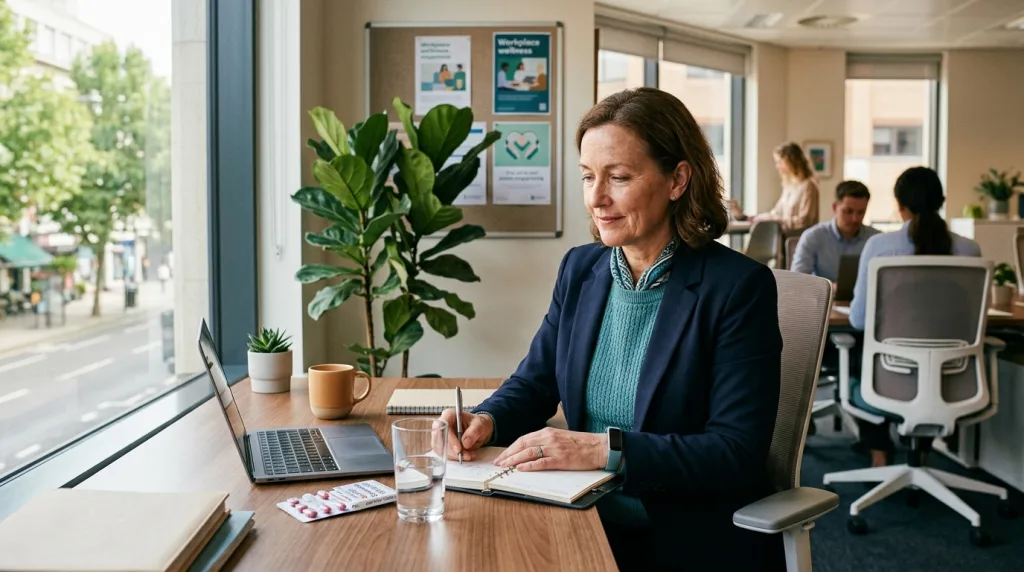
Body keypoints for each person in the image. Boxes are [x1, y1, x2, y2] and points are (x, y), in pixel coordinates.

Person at [438, 87, 785, 571]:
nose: (597, 198)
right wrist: (486, 419)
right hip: (579, 516)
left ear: (678, 179)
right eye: (587, 177)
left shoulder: (737, 288)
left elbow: (734, 452)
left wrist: (603, 449)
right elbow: (536, 381)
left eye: (618, 177)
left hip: (679, 536)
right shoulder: (582, 269)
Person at [848, 166, 981, 466]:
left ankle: (879, 449)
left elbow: (858, 321)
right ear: (941, 201)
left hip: (889, 384)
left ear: (900, 206)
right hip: (957, 383)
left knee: (858, 354)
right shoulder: (969, 250)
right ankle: (921, 452)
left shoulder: (880, 247)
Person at [791, 180, 881, 282]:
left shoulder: (876, 239)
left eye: (861, 212)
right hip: (827, 297)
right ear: (835, 207)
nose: (855, 218)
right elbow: (797, 280)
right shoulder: (814, 237)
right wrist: (829, 288)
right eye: (848, 211)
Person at [730, 142, 820, 235]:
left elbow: (804, 221)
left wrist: (778, 220)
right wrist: (745, 217)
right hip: (784, 239)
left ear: (792, 162)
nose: (777, 167)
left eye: (780, 162)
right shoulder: (789, 187)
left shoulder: (808, 187)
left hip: (799, 241)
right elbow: (775, 214)